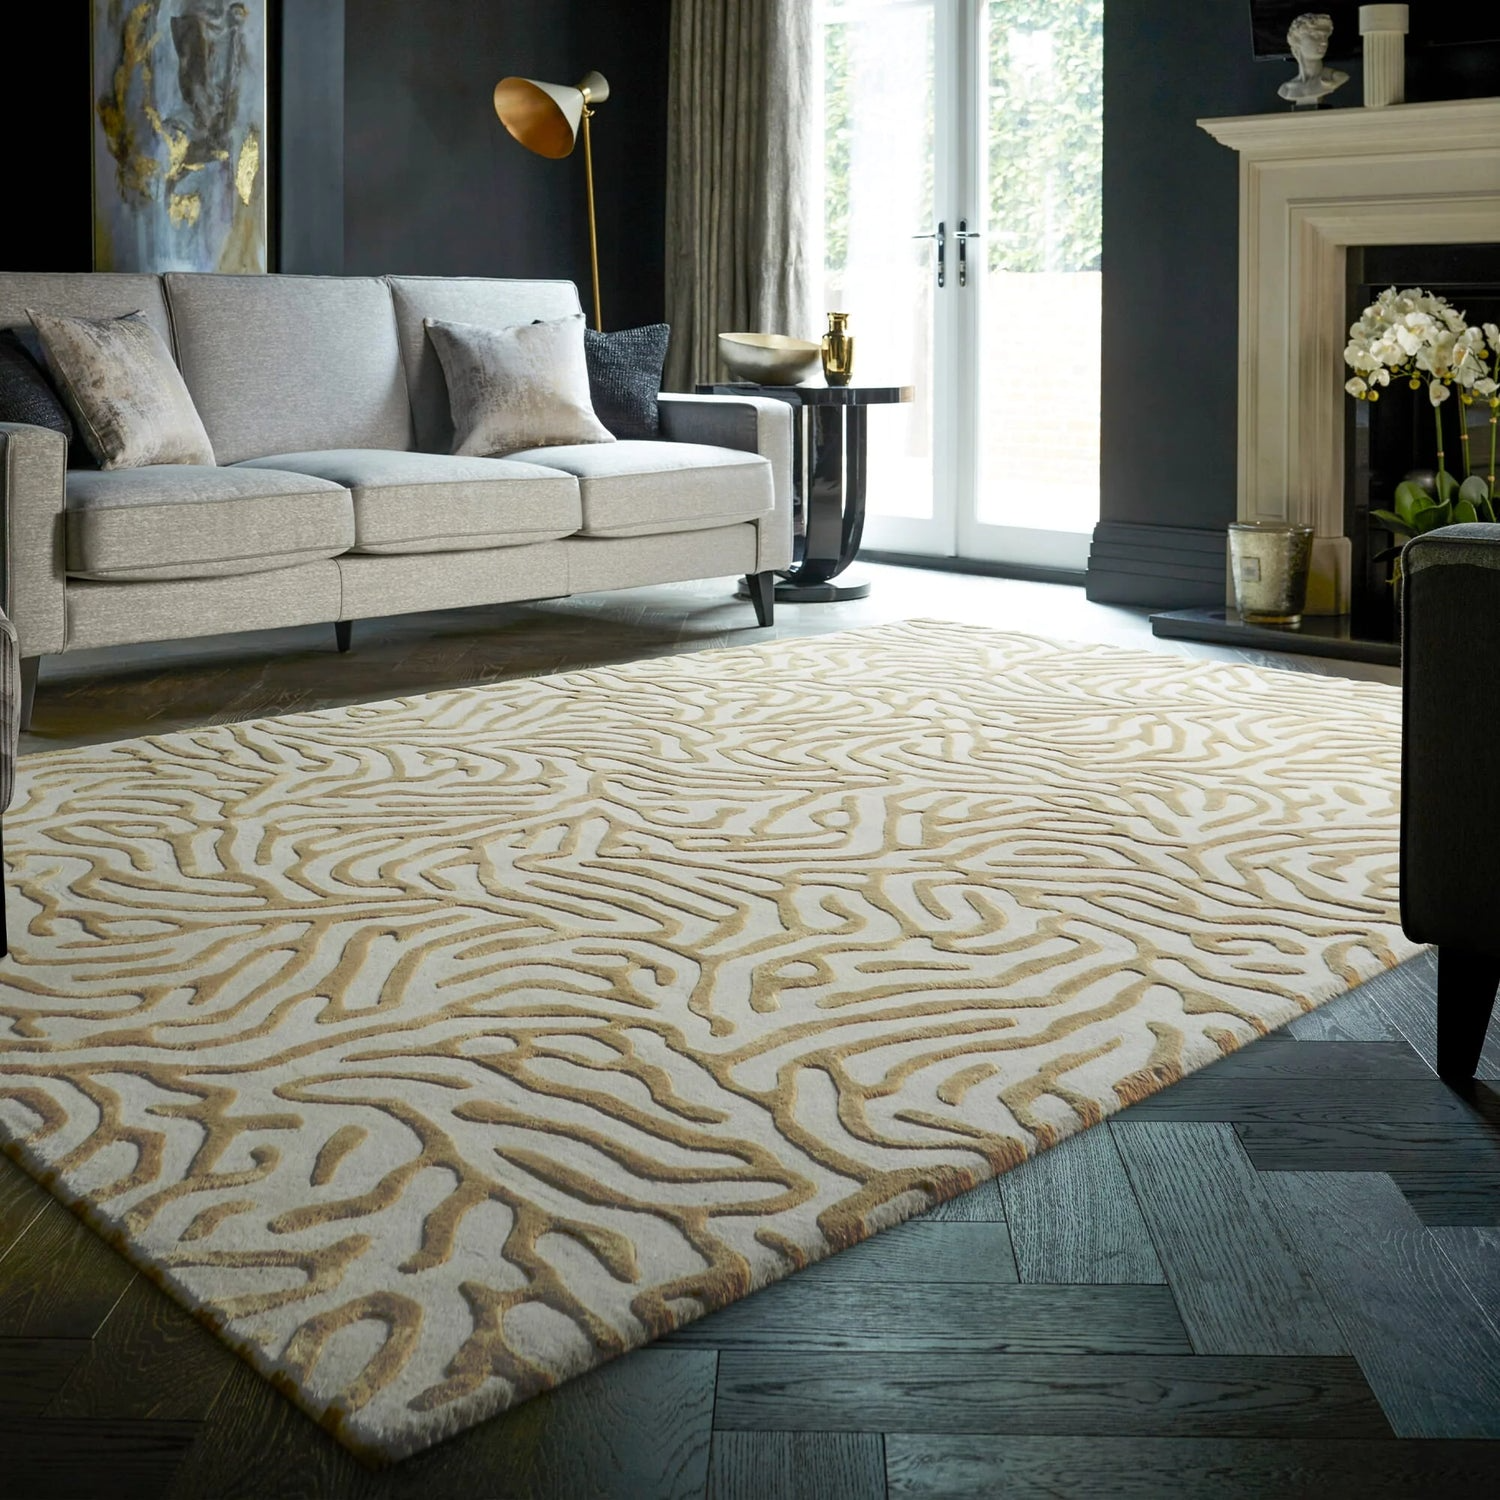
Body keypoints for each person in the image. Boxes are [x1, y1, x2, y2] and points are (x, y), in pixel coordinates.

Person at [1277, 12, 1349, 107]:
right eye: (1316, 36)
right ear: (1297, 41)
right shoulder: (1286, 89)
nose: (1324, 43)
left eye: (1325, 37)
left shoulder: (1337, 77)